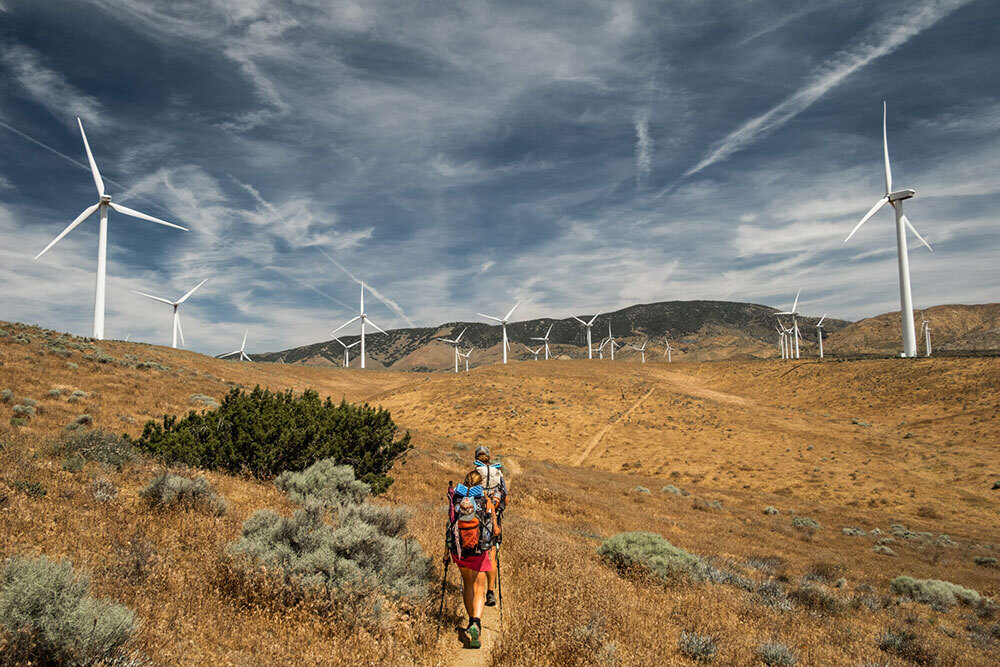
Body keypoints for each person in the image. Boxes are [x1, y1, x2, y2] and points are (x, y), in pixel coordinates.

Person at [446, 469, 499, 649]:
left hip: (460, 551)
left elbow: (450, 525)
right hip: (478, 550)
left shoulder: (456, 499)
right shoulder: (485, 500)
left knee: (467, 583)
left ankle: (470, 621)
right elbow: (493, 527)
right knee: (479, 588)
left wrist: (446, 552)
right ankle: (477, 622)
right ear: (479, 483)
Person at [473, 445, 507, 607]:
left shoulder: (474, 473)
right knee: (492, 554)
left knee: (476, 552)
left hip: (476, 519)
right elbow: (505, 500)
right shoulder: (497, 473)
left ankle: (475, 588)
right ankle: (490, 592)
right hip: (493, 521)